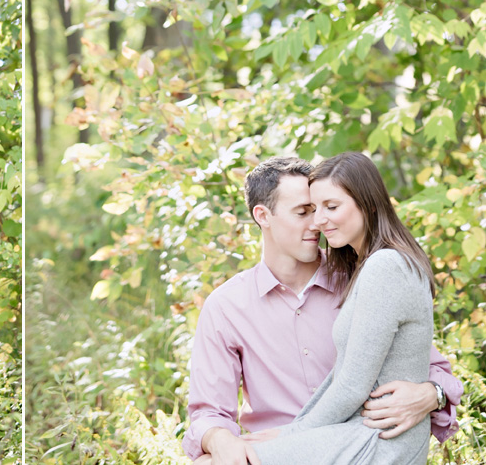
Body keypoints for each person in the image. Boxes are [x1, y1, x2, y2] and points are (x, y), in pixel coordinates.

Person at [183, 156, 461, 464]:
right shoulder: (227, 306)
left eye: (322, 209)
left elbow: (421, 361)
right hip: (278, 447)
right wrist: (220, 440)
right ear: (263, 215)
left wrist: (432, 394)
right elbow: (208, 411)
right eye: (304, 211)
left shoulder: (360, 279)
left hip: (353, 443)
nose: (316, 223)